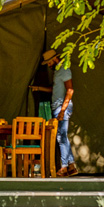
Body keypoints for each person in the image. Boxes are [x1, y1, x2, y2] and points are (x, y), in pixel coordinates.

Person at [31, 49, 78, 177]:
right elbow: (55, 89)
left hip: (62, 107)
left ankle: (64, 167)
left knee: (61, 137)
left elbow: (70, 90)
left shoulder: (64, 70)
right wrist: (39, 88)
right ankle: (71, 165)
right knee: (62, 136)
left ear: (54, 59)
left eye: (48, 62)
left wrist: (62, 110)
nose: (48, 65)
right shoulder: (58, 72)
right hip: (58, 107)